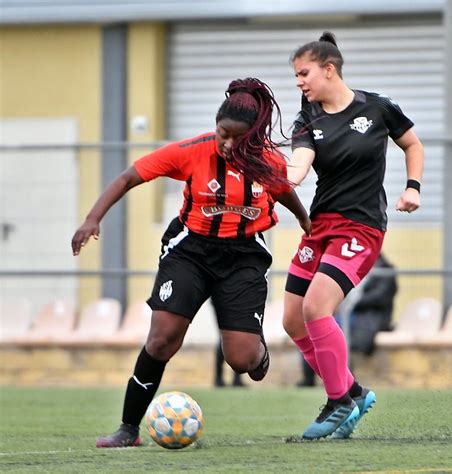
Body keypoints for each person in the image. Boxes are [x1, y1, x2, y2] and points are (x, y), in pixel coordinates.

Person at [71, 77, 312, 448]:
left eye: (237, 138)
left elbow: (284, 192)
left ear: (253, 137)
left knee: (242, 360)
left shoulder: (267, 162)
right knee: (162, 340)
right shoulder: (192, 152)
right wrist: (92, 219)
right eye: (222, 133)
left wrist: (305, 220)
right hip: (190, 252)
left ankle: (255, 349)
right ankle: (128, 429)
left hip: (245, 256)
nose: (228, 143)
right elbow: (127, 177)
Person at [282, 32, 424, 440]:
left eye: (304, 73)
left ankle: (337, 401)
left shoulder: (377, 108)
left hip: (361, 227)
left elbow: (413, 144)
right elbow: (299, 167)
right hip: (320, 227)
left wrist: (413, 186)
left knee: (315, 308)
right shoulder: (308, 118)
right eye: (295, 76)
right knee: (293, 321)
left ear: (329, 69)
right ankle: (354, 392)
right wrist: (277, 176)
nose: (299, 82)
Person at [349, 252, 398, 355]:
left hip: (371, 318)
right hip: (351, 315)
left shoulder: (385, 271)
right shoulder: (355, 269)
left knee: (342, 344)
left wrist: (352, 303)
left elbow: (380, 296)